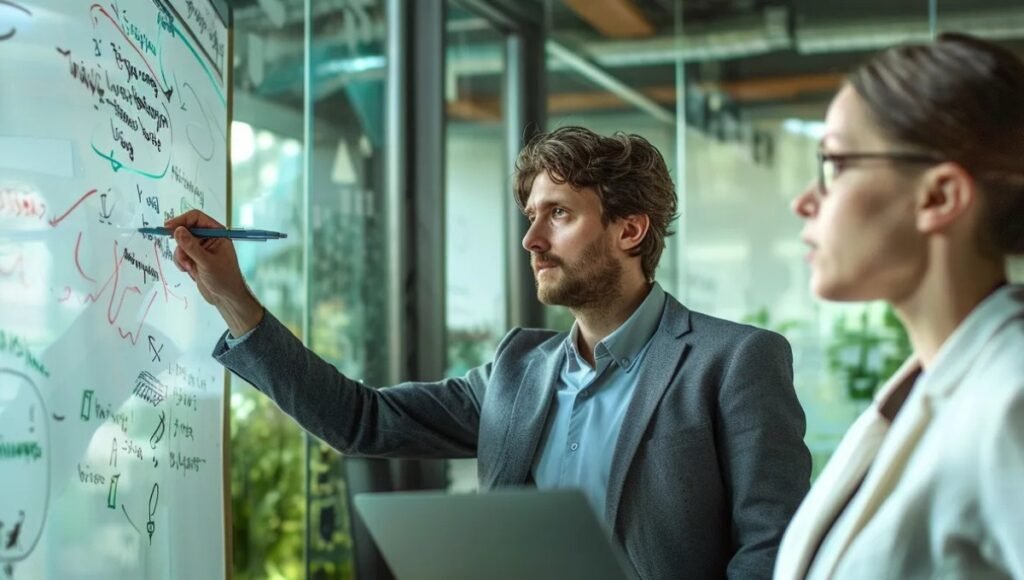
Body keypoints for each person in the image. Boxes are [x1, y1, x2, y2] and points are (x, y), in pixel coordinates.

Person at [169, 126, 811, 580]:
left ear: (630, 228)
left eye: (557, 214)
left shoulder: (735, 361)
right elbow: (358, 421)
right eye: (530, 216)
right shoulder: (517, 370)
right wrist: (233, 298)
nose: (531, 239)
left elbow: (774, 552)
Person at [776, 33, 1024, 579]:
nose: (804, 201)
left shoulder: (1011, 396)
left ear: (939, 197)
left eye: (835, 163)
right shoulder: (931, 382)